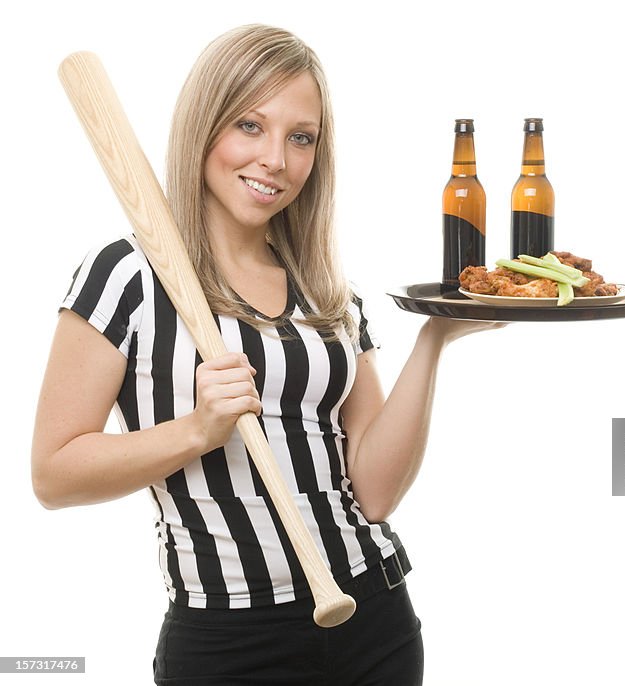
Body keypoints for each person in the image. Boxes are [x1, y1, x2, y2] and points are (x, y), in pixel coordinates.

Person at [32, 24, 501, 685]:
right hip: (229, 642)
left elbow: (373, 492)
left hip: (375, 616)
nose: (275, 158)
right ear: (205, 125)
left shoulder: (328, 291)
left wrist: (434, 339)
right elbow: (53, 474)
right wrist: (197, 430)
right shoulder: (126, 276)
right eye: (249, 126)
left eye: (300, 137)